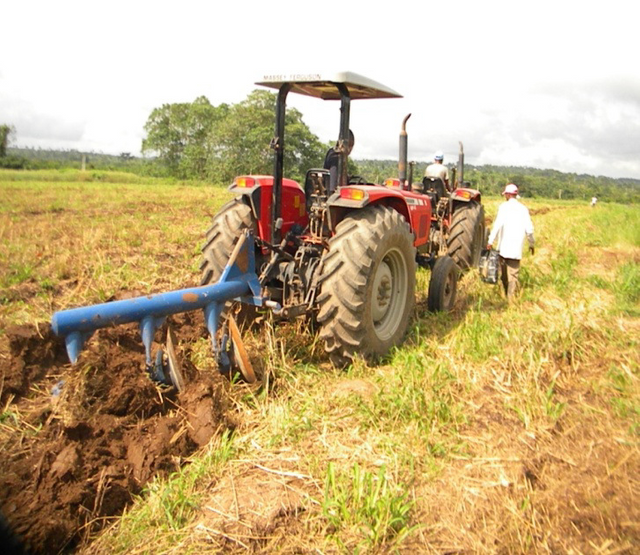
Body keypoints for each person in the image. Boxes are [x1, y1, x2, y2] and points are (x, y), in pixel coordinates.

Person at [487, 183, 535, 301]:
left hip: (503, 247)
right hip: (515, 248)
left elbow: (497, 225)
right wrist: (531, 244)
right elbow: (529, 229)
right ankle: (510, 297)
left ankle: (506, 294)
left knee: (503, 274)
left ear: (508, 195)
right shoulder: (523, 209)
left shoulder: (504, 207)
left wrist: (490, 241)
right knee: (513, 274)